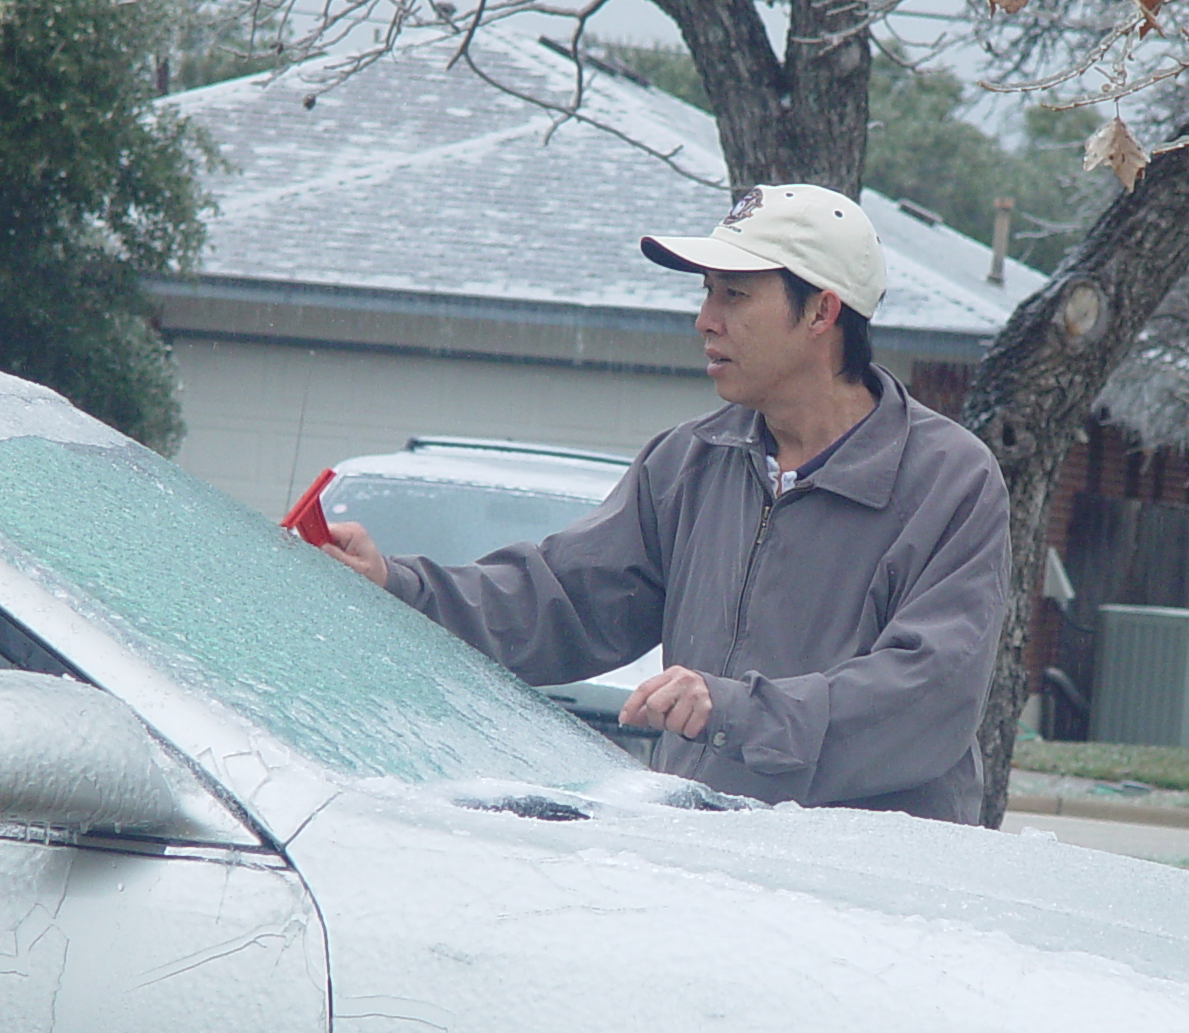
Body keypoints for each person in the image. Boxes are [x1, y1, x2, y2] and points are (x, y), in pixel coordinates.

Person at [321, 183, 1012, 822]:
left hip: (867, 893)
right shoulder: (688, 462)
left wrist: (735, 710)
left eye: (734, 296)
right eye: (707, 293)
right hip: (696, 863)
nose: (705, 321)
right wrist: (397, 585)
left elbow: (928, 696)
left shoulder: (950, 481)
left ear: (823, 311)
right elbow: (558, 601)